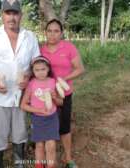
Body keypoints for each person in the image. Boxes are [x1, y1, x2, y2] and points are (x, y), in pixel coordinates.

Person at [0, 0, 40, 167]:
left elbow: (36, 63)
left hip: (20, 95)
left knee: (20, 131)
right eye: (8, 13)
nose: (11, 17)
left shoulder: (30, 37)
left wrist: (28, 76)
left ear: (21, 15)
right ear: (2, 15)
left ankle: (19, 162)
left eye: (15, 13)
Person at [40, 19, 85, 168]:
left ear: (61, 33)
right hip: (45, 95)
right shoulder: (40, 50)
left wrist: (64, 78)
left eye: (56, 31)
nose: (52, 34)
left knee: (64, 127)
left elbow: (80, 69)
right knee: (46, 125)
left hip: (64, 93)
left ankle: (68, 159)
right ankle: (45, 160)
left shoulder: (69, 47)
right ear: (45, 32)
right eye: (49, 31)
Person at [20, 56, 63, 168]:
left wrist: (55, 98)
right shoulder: (31, 84)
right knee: (39, 145)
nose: (40, 72)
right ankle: (39, 165)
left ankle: (51, 165)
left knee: (51, 145)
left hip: (52, 118)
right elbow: (23, 105)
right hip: (37, 119)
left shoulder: (53, 82)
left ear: (48, 69)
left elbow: (60, 103)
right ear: (33, 71)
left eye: (43, 69)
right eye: (37, 70)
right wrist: (38, 110)